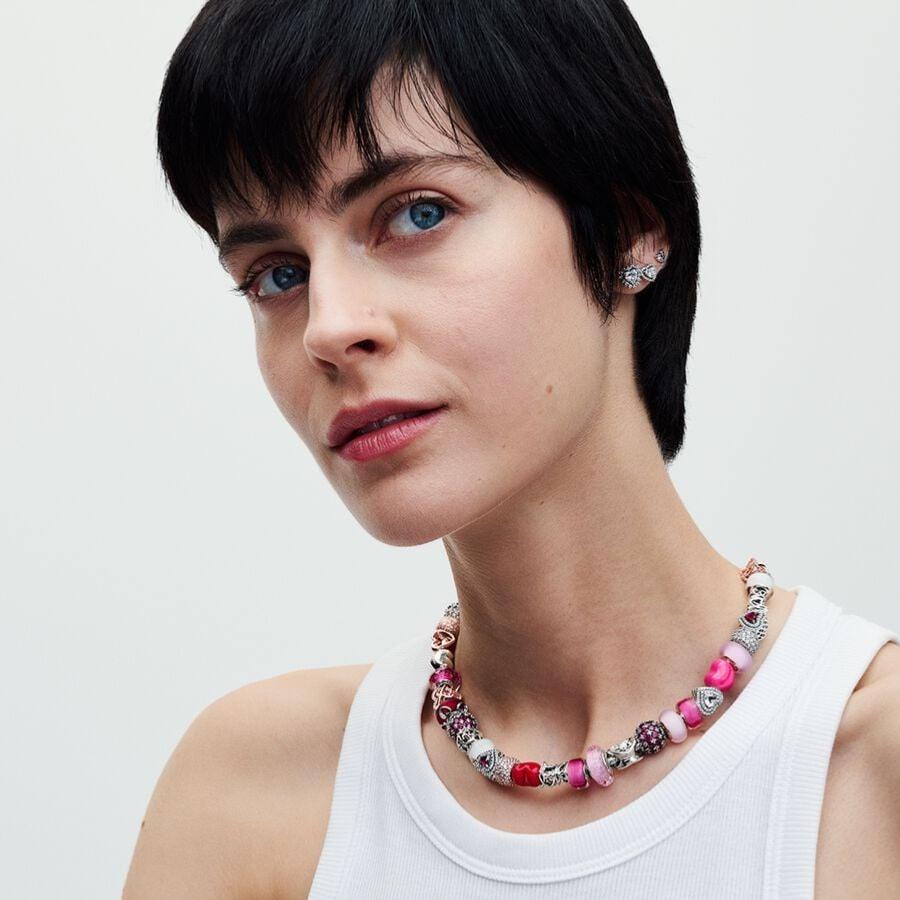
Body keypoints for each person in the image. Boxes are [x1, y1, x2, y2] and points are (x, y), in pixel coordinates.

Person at [124, 1, 900, 896]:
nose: (328, 329)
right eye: (278, 275)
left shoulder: (869, 768)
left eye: (417, 214)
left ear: (630, 226)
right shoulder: (256, 795)